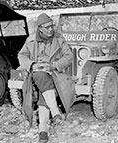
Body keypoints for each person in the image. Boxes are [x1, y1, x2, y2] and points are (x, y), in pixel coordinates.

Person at [17, 13, 73, 143]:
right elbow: (22, 56)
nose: (51, 29)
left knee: (43, 87)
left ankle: (43, 131)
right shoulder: (30, 40)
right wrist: (32, 64)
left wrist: (54, 66)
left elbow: (69, 57)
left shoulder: (59, 39)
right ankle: (54, 112)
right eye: (47, 27)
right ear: (40, 28)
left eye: (52, 26)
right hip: (37, 71)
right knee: (40, 75)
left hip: (55, 73)